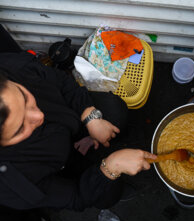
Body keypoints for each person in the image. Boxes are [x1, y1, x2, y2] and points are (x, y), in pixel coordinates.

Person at [0, 50, 157, 211]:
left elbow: (60, 80)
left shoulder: (10, 66)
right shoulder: (10, 184)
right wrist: (110, 168)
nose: (39, 115)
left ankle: (106, 144)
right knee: (105, 195)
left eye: (25, 97)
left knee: (114, 110)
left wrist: (90, 116)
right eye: (20, 128)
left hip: (71, 121)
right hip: (60, 167)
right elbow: (76, 197)